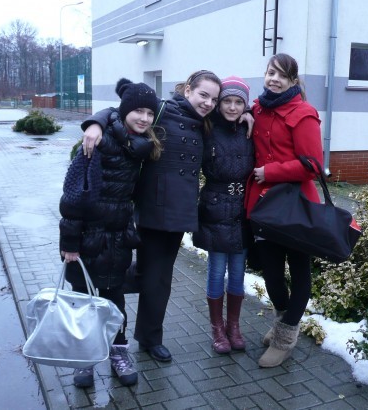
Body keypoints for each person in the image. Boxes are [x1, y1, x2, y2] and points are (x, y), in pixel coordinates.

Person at [80, 70, 222, 363]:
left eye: (214, 99)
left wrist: (247, 115)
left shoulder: (207, 121)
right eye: (203, 95)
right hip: (154, 206)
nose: (208, 103)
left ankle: (149, 338)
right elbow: (120, 111)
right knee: (151, 275)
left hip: (181, 210)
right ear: (188, 90)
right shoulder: (162, 110)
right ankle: (104, 285)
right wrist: (95, 123)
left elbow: (236, 114)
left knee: (160, 278)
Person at [59, 78, 162, 388]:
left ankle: (118, 352)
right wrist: (70, 243)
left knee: (115, 299)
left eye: (150, 113)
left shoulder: (139, 147)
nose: (144, 118)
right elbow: (72, 198)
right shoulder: (97, 143)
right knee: (83, 301)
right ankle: (84, 358)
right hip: (86, 239)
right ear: (125, 110)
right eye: (138, 111)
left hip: (118, 238)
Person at [245, 53, 324, 368]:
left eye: (281, 75)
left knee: (300, 272)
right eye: (270, 73)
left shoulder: (303, 113)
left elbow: (313, 165)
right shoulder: (257, 109)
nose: (274, 79)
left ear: (293, 80)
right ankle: (282, 322)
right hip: (264, 207)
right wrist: (246, 115)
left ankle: (285, 337)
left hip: (296, 207)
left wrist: (271, 172)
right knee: (272, 275)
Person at [192, 76, 255, 354]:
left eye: (238, 102)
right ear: (218, 104)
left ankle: (234, 326)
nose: (232, 107)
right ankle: (217, 329)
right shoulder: (207, 127)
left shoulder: (249, 127)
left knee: (238, 272)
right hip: (215, 207)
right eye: (226, 101)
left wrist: (251, 113)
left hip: (242, 209)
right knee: (217, 271)